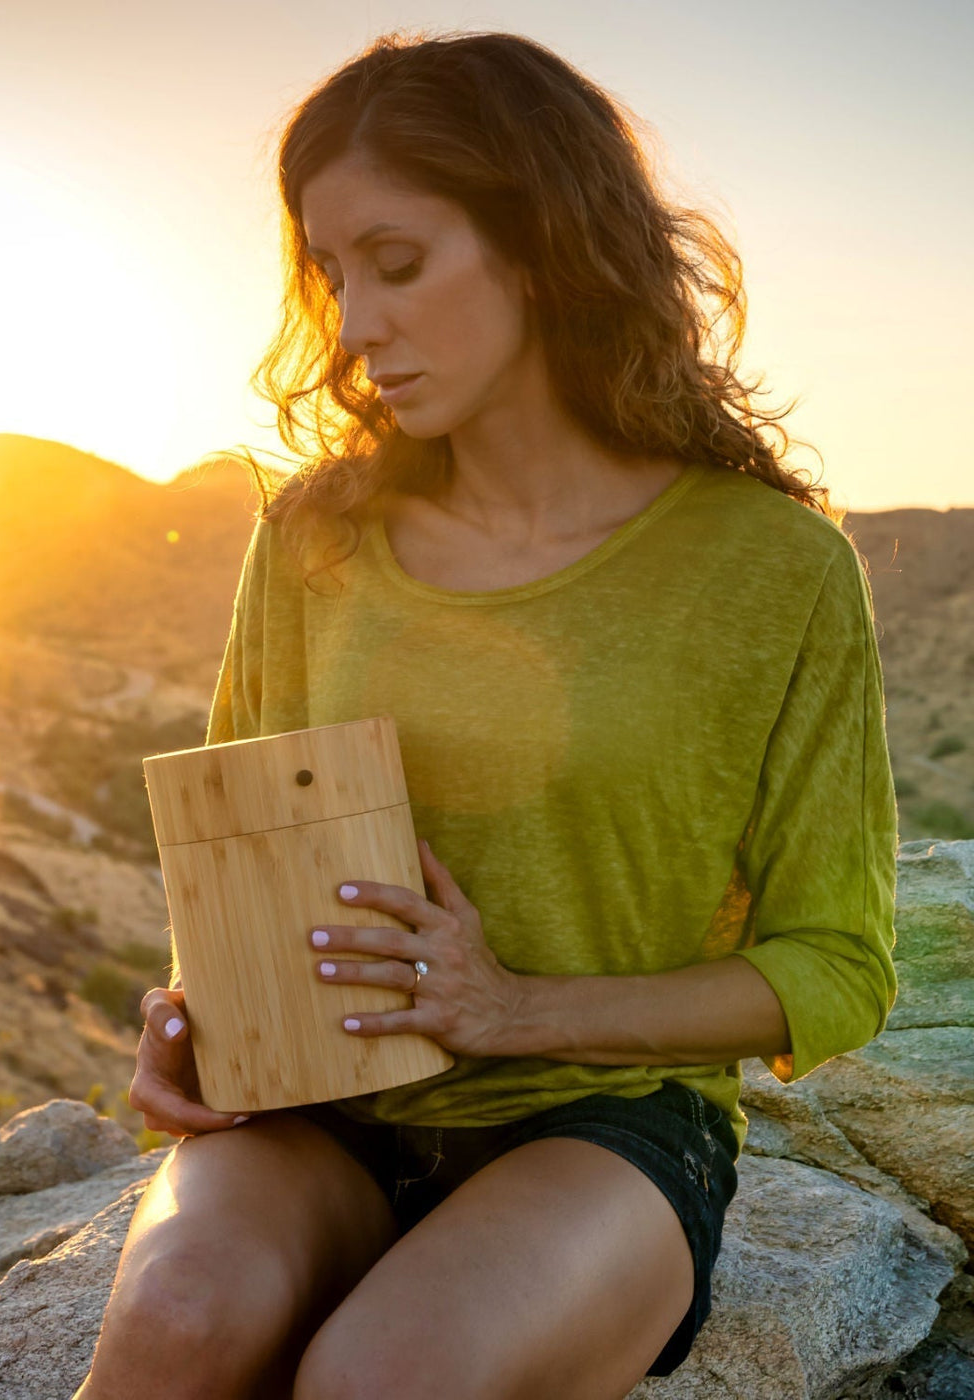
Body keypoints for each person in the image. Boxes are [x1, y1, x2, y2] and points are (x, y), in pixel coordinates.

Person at [74, 28, 898, 1400]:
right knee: (177, 1311)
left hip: (599, 1128)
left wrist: (513, 1007)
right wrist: (196, 1021)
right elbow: (241, 849)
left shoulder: (777, 573)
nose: (357, 322)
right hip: (315, 1112)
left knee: (389, 1375)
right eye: (333, 275)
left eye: (398, 264)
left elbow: (838, 970)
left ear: (545, 242)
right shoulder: (315, 541)